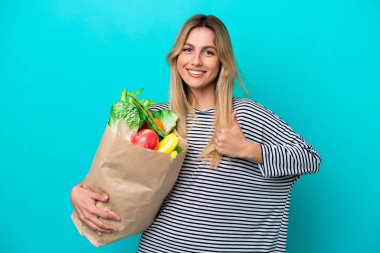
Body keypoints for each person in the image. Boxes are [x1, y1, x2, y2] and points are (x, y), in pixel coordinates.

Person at [71, 14, 321, 252]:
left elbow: (310, 158)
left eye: (208, 52)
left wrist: (247, 150)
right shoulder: (157, 119)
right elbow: (113, 174)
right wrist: (77, 193)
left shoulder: (244, 114)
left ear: (222, 61)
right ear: (177, 56)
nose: (196, 61)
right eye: (188, 49)